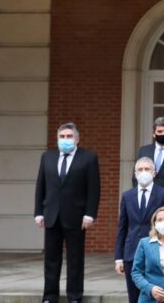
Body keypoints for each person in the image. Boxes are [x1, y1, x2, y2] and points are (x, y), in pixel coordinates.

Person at [34, 122, 101, 303]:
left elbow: (94, 189)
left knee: (75, 260)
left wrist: (90, 214)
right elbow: (41, 185)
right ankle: (49, 296)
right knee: (51, 260)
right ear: (57, 139)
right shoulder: (47, 157)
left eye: (69, 136)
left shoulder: (88, 158)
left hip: (76, 217)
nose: (65, 140)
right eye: (62, 137)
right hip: (51, 216)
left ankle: (74, 296)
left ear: (77, 139)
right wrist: (38, 212)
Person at [116, 157, 164, 303]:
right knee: (134, 296)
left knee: (156, 295)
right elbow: (122, 227)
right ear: (135, 173)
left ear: (154, 173)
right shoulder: (127, 196)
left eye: (147, 169)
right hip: (131, 253)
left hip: (156, 252)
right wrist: (119, 257)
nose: (143, 172)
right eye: (140, 170)